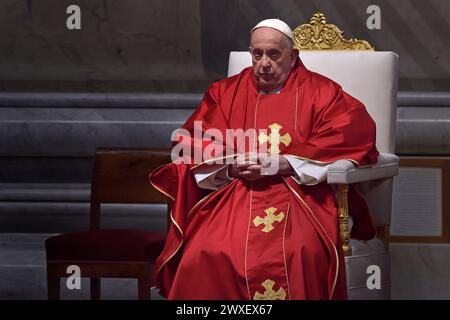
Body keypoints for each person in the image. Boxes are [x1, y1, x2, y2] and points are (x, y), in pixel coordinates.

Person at [149, 18, 379, 300]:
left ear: (293, 57)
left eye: (274, 54)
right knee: (204, 250)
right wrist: (231, 167)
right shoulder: (225, 92)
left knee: (301, 252)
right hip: (237, 194)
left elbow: (353, 130)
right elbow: (193, 141)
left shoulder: (322, 92)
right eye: (257, 54)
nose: (264, 63)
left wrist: (287, 163)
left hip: (299, 194)